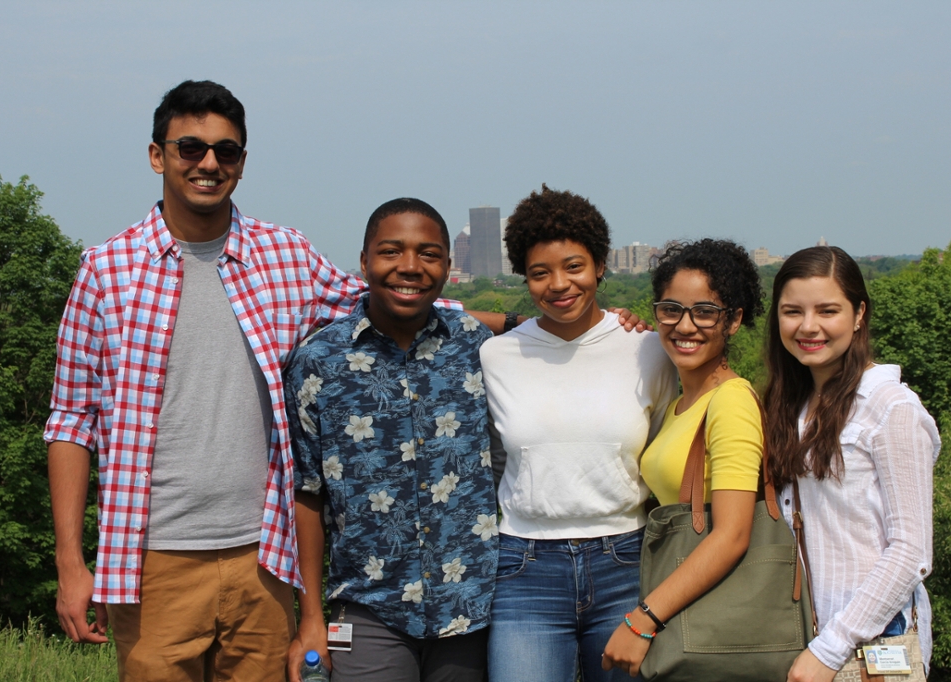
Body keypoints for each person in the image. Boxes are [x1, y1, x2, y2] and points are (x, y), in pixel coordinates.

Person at [44, 81, 500, 680]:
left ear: (241, 162)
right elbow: (72, 421)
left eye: (225, 151)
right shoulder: (106, 272)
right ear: (158, 155)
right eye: (190, 148)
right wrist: (72, 565)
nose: (208, 163)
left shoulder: (283, 255)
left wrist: (534, 321)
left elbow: (394, 301)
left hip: (265, 558)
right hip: (155, 558)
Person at [284, 198, 498, 682]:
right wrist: (311, 618)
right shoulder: (319, 360)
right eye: (391, 252)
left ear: (447, 265)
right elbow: (307, 492)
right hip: (367, 605)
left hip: (470, 603)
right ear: (363, 262)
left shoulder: (478, 347)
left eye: (428, 254)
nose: (410, 267)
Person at [480, 185, 679, 682]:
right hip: (524, 567)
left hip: (626, 562)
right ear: (524, 279)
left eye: (574, 267)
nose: (559, 284)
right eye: (539, 273)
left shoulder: (649, 350)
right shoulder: (496, 356)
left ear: (600, 266)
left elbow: (661, 455)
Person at [763, 246, 938, 681]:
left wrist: (829, 650)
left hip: (869, 644)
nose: (808, 326)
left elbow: (912, 551)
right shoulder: (790, 405)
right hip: (802, 634)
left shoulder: (890, 407)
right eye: (792, 311)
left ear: (859, 314)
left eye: (827, 310)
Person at [602, 238, 766, 676]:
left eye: (705, 312)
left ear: (733, 322)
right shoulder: (682, 402)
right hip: (687, 611)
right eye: (670, 309)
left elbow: (732, 534)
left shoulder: (731, 402)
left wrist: (644, 620)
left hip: (711, 620)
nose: (685, 325)